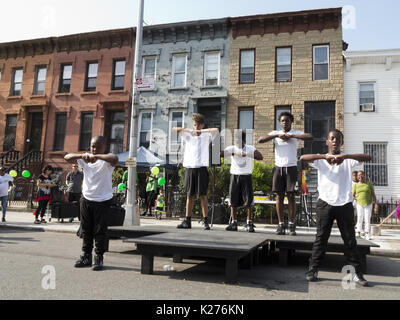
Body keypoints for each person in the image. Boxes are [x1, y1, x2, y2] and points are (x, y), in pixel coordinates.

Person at [300, 129, 370, 287]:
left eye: (338, 139)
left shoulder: (348, 159)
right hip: (325, 203)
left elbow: (368, 157)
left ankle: (356, 274)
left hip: (344, 203)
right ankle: (313, 269)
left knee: (350, 241)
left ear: (341, 142)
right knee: (321, 239)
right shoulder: (321, 159)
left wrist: (344, 157)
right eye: (332, 139)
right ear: (327, 141)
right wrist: (325, 157)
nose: (335, 141)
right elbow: (303, 158)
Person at [64, 136, 118, 271]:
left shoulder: (106, 160)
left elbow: (114, 159)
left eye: (98, 147)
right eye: (92, 146)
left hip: (103, 200)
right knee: (86, 229)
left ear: (104, 147)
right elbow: (67, 157)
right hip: (86, 199)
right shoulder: (84, 159)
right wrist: (82, 155)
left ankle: (98, 258)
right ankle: (86, 256)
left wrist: (98, 156)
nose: (94, 149)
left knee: (100, 231)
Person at [258, 112, 313, 236]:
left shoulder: (296, 134)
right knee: (279, 197)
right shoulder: (275, 134)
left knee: (291, 196)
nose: (284, 122)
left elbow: (310, 137)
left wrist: (291, 135)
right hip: (278, 168)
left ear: (291, 122)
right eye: (282, 121)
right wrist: (278, 135)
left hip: (291, 168)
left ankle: (292, 224)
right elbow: (260, 140)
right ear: (280, 122)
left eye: (287, 121)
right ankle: (281, 224)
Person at [173, 113, 219, 230]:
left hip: (202, 168)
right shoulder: (188, 135)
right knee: (190, 195)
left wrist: (202, 131)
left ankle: (205, 221)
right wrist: (190, 130)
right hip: (190, 168)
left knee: (203, 195)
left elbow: (216, 130)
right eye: (194, 125)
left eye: (198, 125)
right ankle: (187, 221)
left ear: (202, 125)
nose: (196, 127)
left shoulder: (206, 135)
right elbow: (175, 129)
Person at [222, 130, 263, 232]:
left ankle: (249, 222)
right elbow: (220, 154)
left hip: (246, 176)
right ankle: (234, 223)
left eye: (239, 140)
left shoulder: (250, 148)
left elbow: (260, 157)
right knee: (233, 200)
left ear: (244, 140)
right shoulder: (232, 148)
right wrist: (233, 152)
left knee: (248, 200)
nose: (237, 142)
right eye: (235, 139)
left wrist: (247, 154)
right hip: (235, 175)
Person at [353, 170, 377, 240]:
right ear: (357, 177)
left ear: (364, 175)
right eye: (359, 175)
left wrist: (375, 202)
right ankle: (358, 232)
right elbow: (353, 194)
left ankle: (367, 233)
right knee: (359, 217)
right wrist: (356, 198)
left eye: (362, 174)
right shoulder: (356, 185)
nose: (361, 176)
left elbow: (373, 193)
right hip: (359, 203)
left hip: (368, 203)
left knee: (367, 218)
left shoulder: (369, 184)